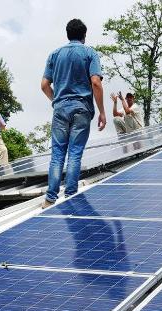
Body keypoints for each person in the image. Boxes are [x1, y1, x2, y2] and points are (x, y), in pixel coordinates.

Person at [40, 18, 106, 208]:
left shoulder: (54, 55)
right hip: (81, 108)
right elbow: (96, 83)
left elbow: (44, 85)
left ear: (67, 35)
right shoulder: (89, 53)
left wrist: (57, 101)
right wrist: (102, 112)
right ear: (84, 35)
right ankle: (70, 196)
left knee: (57, 154)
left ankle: (50, 198)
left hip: (60, 108)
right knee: (75, 153)